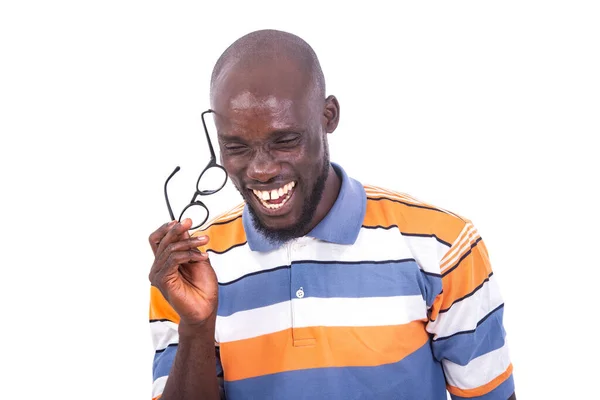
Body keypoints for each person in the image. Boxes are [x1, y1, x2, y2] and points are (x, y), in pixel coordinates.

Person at [148, 29, 516, 400]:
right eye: (236, 146)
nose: (260, 170)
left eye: (285, 141)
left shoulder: (443, 246)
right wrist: (196, 326)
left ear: (328, 116)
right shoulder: (192, 266)